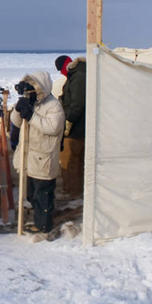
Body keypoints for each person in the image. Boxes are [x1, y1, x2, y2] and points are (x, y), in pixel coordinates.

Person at [10, 71, 65, 233]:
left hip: (43, 157)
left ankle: (43, 226)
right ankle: (38, 219)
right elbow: (17, 123)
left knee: (43, 196)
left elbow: (53, 128)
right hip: (30, 157)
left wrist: (32, 115)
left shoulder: (53, 106)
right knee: (32, 194)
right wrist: (18, 110)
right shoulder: (32, 103)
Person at [58, 56, 86, 198]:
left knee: (70, 161)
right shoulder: (79, 74)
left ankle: (72, 193)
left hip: (76, 129)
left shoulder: (78, 76)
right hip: (81, 127)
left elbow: (77, 104)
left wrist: (68, 122)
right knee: (77, 162)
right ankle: (76, 191)